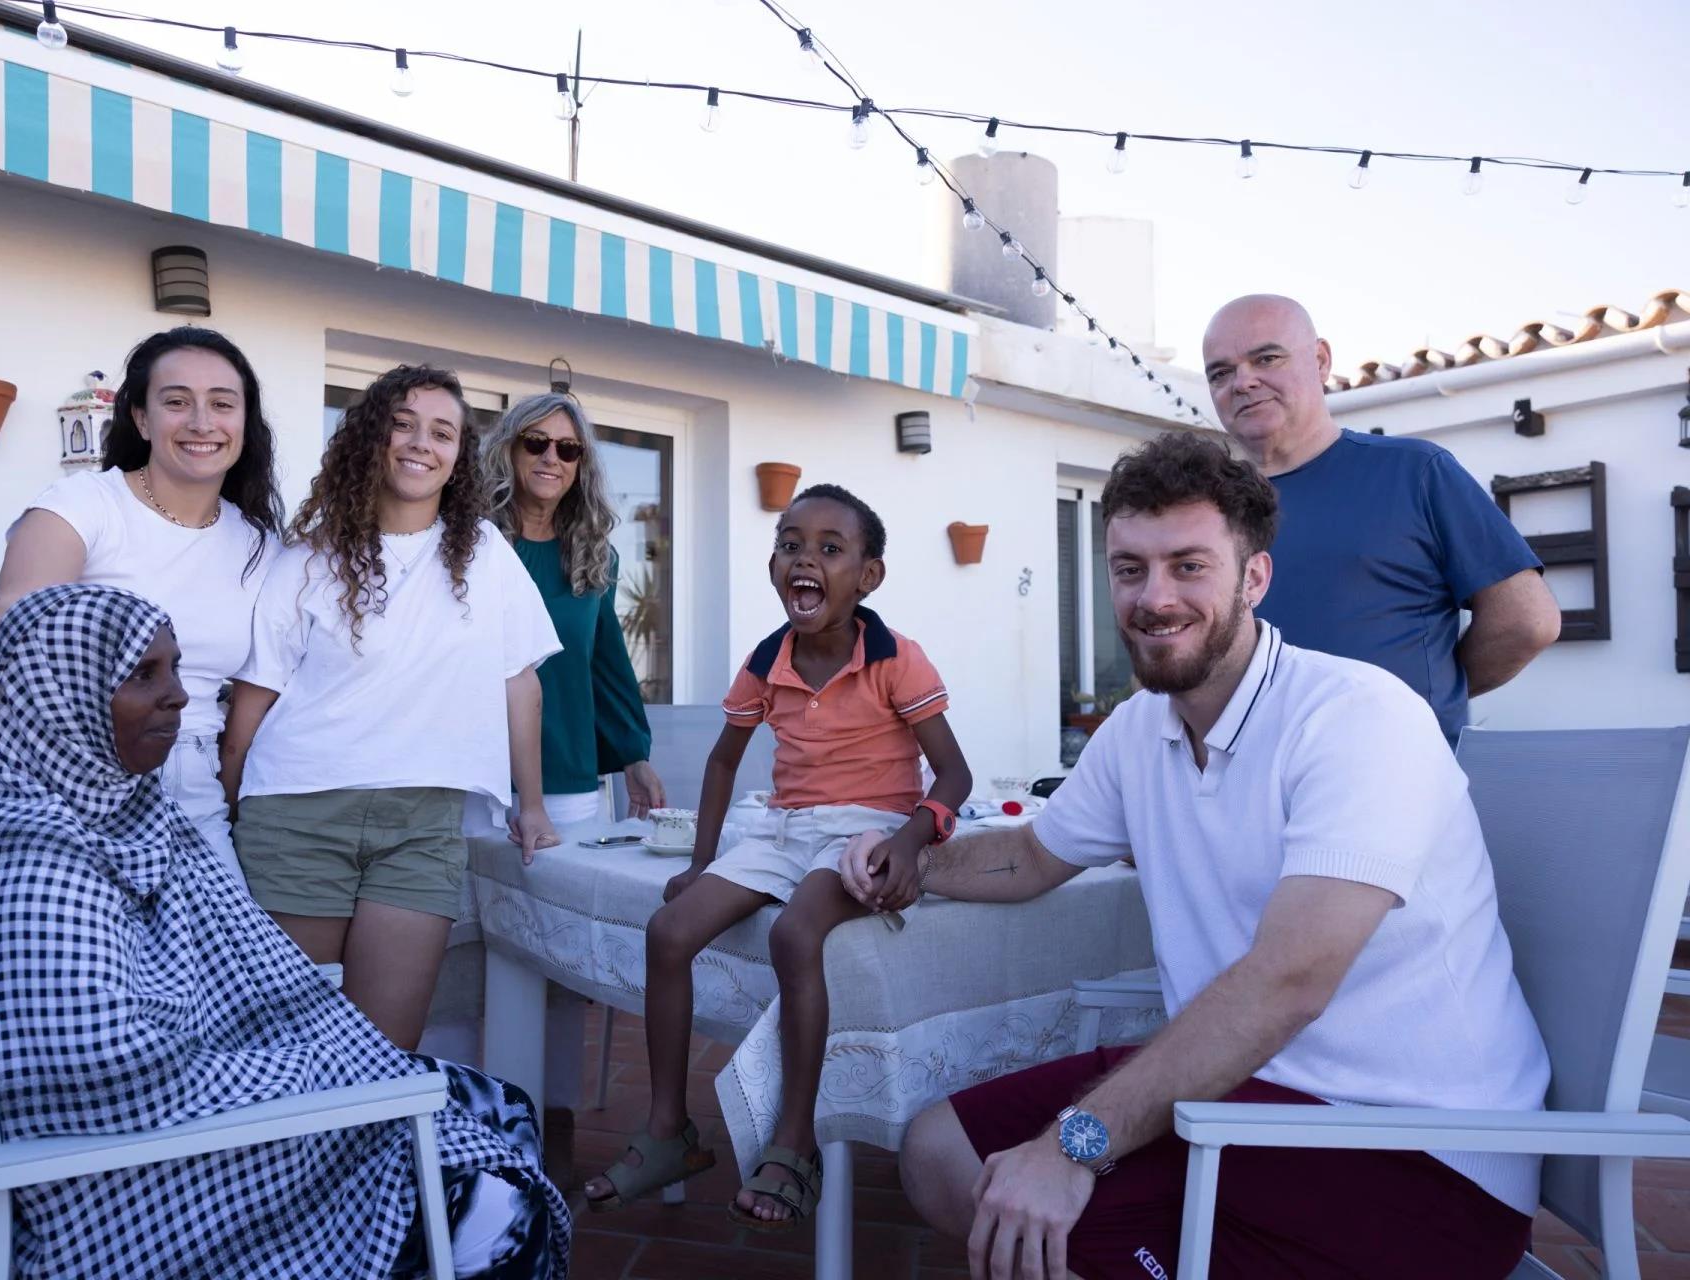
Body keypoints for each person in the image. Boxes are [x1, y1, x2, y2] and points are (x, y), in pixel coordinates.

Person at [866, 433, 1548, 1280]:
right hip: (1238, 1090)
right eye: (1129, 569)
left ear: (1253, 578)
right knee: (941, 1154)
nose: (1154, 598)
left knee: (1036, 1198)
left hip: (1411, 1147)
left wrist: (1074, 1147)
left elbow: (1288, 982)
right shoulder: (1137, 729)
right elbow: (1035, 856)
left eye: (1190, 565)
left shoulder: (1355, 718)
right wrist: (906, 862)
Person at [0, 583, 571, 1279]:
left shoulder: (116, 816)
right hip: (142, 1181)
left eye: (175, 668)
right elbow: (108, 1069)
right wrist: (331, 1064)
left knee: (494, 1108)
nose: (179, 694)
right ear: (55, 695)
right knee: (495, 1194)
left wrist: (328, 1052)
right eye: (143, 674)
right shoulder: (37, 867)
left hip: (190, 1117)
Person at [583, 484, 972, 1231]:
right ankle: (669, 1130)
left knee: (797, 936)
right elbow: (726, 764)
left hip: (865, 830)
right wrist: (702, 863)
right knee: (668, 934)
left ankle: (795, 1141)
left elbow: (954, 773)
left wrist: (909, 840)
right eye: (792, 544)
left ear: (869, 576)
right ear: (774, 563)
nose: (806, 558)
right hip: (785, 828)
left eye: (831, 549)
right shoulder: (768, 661)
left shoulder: (896, 659)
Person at [220, 364, 563, 1052]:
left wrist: (531, 806)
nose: (420, 443)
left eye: (442, 432)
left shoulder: (487, 555)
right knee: (292, 1047)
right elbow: (258, 697)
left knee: (383, 1052)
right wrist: (225, 807)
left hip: (422, 825)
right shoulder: (308, 559)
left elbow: (519, 682)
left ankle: (369, 1165)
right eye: (403, 424)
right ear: (372, 438)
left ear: (459, 456)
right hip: (297, 815)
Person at [0, 326, 282, 875]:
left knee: (224, 957)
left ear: (243, 422)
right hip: (67, 781)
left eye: (222, 404)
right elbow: (11, 610)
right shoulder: (86, 504)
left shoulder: (258, 545)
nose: (202, 422)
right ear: (141, 418)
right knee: (80, 958)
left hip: (193, 786)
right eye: (177, 401)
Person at [1201, 294, 1560, 743]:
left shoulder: (1416, 473)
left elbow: (1528, 621)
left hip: (1399, 786)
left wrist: (1421, 693)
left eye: (1267, 358)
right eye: (1221, 372)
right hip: (1248, 786)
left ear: (1320, 360)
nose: (1243, 382)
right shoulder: (1208, 507)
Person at [482, 393, 667, 827]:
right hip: (479, 779)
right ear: (509, 448)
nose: (551, 457)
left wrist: (632, 756)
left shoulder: (595, 555)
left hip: (570, 779)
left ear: (580, 465)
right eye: (535, 442)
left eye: (568, 449)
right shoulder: (472, 545)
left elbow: (606, 663)